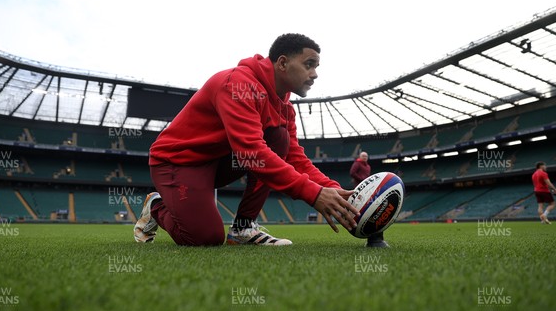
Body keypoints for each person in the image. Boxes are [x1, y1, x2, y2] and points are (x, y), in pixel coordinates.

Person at [133, 33, 387, 247]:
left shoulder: (285, 105)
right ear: (283, 63)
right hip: (179, 163)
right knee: (204, 238)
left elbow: (293, 157)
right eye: (309, 64)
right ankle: (156, 205)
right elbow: (250, 151)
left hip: (219, 161)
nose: (315, 73)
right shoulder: (238, 84)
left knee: (279, 140)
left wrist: (339, 193)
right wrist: (314, 194)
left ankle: (243, 228)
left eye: (317, 67)